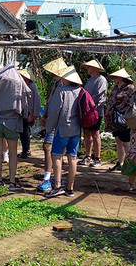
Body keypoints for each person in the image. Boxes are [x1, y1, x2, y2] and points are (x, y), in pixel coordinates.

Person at [45, 67, 83, 198]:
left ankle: (57, 186)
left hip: (62, 129)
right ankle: (70, 188)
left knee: (56, 156)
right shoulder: (80, 91)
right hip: (77, 130)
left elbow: (54, 112)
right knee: (72, 158)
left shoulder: (61, 91)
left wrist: (49, 128)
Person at [36, 57, 69, 192]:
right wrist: (46, 115)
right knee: (52, 150)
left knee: (49, 148)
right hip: (53, 121)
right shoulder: (56, 84)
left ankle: (49, 178)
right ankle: (56, 177)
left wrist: (50, 119)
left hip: (57, 122)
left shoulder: (63, 85)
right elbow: (51, 103)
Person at [105, 68, 135, 172]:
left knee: (126, 142)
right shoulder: (116, 88)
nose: (114, 79)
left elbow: (132, 103)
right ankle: (120, 162)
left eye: (116, 77)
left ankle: (130, 164)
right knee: (118, 141)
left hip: (124, 120)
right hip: (114, 119)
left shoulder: (130, 88)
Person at [81, 60, 107, 167]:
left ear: (95, 68)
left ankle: (97, 157)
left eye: (89, 67)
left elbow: (100, 96)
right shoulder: (90, 80)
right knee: (87, 133)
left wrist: (91, 105)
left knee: (95, 133)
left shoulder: (101, 80)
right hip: (87, 111)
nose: (87, 69)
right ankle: (88, 156)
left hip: (96, 111)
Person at [18, 68, 41, 159]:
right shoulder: (21, 85)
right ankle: (25, 149)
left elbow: (36, 101)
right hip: (22, 112)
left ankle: (26, 150)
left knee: (25, 132)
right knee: (22, 132)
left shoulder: (32, 86)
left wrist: (33, 115)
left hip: (28, 113)